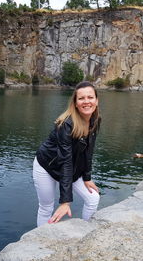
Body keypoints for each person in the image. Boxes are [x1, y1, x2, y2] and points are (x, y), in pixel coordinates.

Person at [32, 81, 101, 226]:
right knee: (46, 207)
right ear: (75, 103)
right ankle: (41, 242)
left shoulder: (95, 120)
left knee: (93, 198)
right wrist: (65, 201)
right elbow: (66, 161)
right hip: (47, 166)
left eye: (90, 97)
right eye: (81, 98)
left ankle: (85, 232)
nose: (86, 101)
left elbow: (89, 151)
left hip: (71, 167)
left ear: (96, 100)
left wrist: (87, 177)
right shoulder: (66, 125)